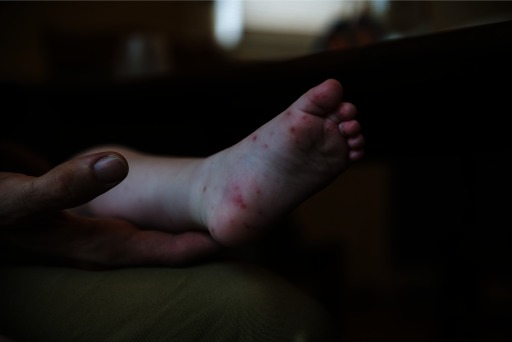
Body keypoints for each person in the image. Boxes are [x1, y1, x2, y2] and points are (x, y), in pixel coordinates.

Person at [0, 78, 364, 341]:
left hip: (26, 170)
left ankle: (208, 183)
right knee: (89, 171)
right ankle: (205, 183)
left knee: (99, 161)